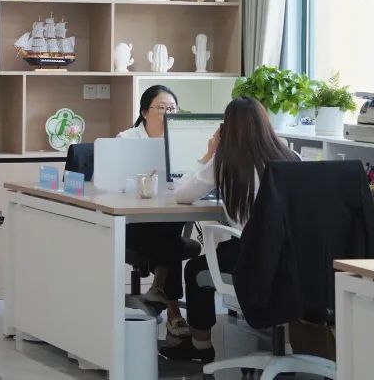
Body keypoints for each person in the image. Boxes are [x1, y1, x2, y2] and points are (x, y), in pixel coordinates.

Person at [160, 97, 299, 363]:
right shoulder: (292, 157)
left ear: (228, 129)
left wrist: (209, 154)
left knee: (195, 269)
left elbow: (182, 193)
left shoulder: (227, 161)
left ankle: (201, 347)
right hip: (293, 258)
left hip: (255, 257)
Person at [117, 85, 191, 338]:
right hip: (133, 225)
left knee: (171, 228)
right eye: (161, 108)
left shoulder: (181, 142)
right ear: (144, 112)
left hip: (166, 219)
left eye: (172, 108)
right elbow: (116, 184)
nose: (167, 114)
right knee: (171, 238)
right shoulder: (127, 140)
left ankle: (160, 288)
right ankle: (172, 311)